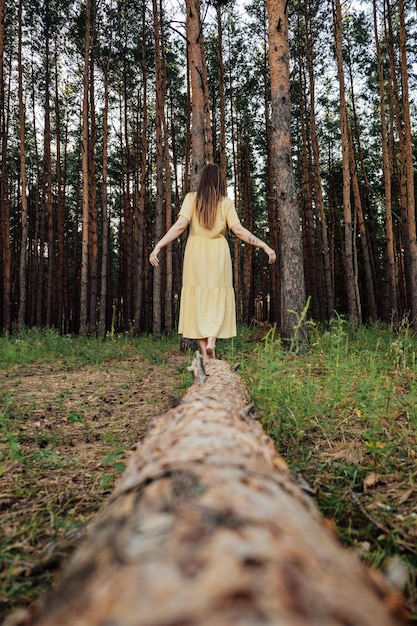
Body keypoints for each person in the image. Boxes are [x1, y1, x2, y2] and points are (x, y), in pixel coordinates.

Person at [149, 164, 276, 361]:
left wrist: (159, 245)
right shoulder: (225, 202)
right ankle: (212, 342)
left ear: (203, 180)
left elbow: (181, 225)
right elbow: (239, 231)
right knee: (217, 298)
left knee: (197, 301)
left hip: (195, 253)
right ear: (220, 181)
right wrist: (264, 245)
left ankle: (206, 352)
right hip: (219, 253)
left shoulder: (191, 198)